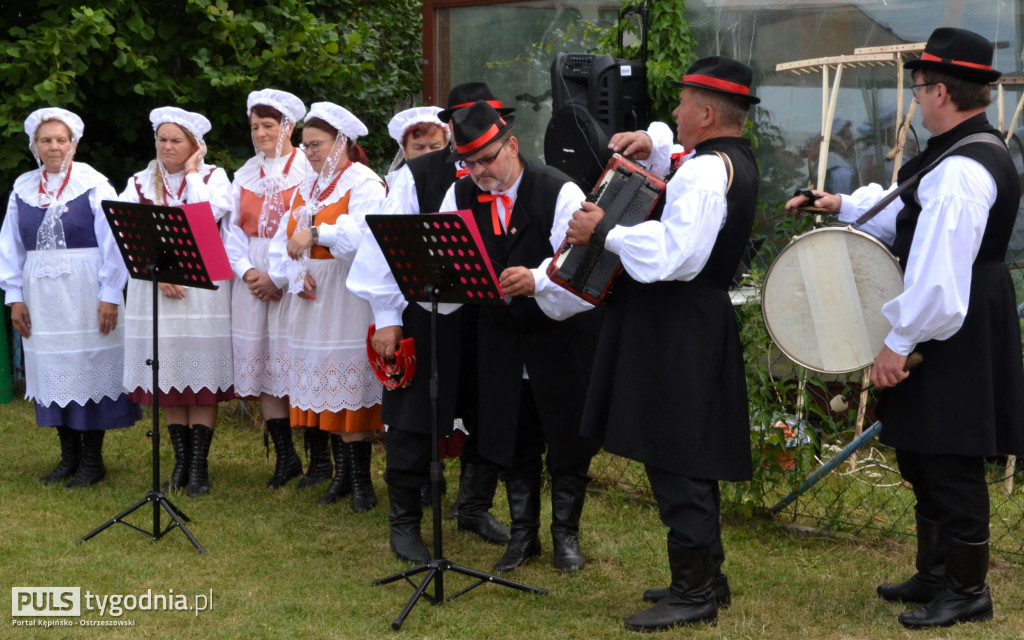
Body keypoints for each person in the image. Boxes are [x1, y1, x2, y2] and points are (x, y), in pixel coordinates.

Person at [785, 28, 1024, 629]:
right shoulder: (954, 148)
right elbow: (904, 205)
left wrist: (898, 343)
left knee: (951, 457)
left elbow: (940, 277)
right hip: (949, 320)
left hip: (952, 326)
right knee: (921, 452)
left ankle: (968, 591)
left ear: (941, 89)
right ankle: (936, 571)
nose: (915, 99)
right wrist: (839, 206)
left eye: (919, 88)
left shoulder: (965, 171)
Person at [568, 57, 760, 631]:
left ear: (705, 112)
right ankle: (707, 576)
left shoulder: (705, 173)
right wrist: (652, 144)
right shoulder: (723, 160)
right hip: (688, 321)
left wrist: (603, 229)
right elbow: (670, 155)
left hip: (679, 323)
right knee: (682, 452)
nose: (673, 115)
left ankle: (694, 590)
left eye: (680, 105)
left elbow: (678, 255)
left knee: (677, 454)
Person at [348, 84, 515, 563]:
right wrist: (385, 317)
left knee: (487, 409)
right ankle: (405, 522)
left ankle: (474, 507)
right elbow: (384, 244)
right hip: (426, 311)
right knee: (413, 418)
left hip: (491, 317)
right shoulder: (418, 175)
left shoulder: (515, 175)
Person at [439, 100, 601, 574]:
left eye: (488, 158)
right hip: (501, 336)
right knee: (512, 432)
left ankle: (566, 537)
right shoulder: (460, 195)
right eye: (469, 163)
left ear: (511, 145)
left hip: (560, 333)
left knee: (568, 435)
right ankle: (524, 535)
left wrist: (536, 280)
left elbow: (577, 265)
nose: (480, 171)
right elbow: (450, 257)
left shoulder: (559, 189)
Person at [1, 107, 141, 489]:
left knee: (89, 365)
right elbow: (10, 248)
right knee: (52, 370)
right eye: (46, 140)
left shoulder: (94, 184)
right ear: (34, 145)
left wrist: (110, 294)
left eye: (61, 139)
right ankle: (69, 457)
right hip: (42, 296)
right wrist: (15, 297)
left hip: (86, 292)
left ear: (74, 143)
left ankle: (93, 460)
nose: (54, 146)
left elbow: (116, 244)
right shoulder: (23, 188)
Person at [271, 102, 384, 512]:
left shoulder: (364, 182)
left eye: (316, 144)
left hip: (346, 295)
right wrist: (291, 274)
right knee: (323, 386)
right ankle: (341, 475)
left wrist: (319, 231)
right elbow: (282, 240)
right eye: (305, 145)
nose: (310, 153)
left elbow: (365, 236)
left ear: (342, 144)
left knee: (348, 388)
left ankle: (362, 484)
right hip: (312, 297)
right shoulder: (309, 186)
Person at [119, 107, 235, 497]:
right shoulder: (138, 181)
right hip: (155, 286)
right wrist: (162, 271)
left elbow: (205, 215)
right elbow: (125, 227)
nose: (167, 147)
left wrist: (191, 173)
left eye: (176, 140)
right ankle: (180, 461)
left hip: (201, 291)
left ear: (194, 146)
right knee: (167, 370)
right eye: (162, 139)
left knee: (198, 373)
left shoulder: (214, 177)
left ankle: (199, 464)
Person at [223, 88, 312, 490]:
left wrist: (277, 276)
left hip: (294, 275)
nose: (260, 133)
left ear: (288, 127)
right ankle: (285, 456)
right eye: (255, 126)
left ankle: (320, 458)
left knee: (296, 362)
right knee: (262, 365)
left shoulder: (308, 172)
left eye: (268, 125)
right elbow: (233, 231)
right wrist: (246, 273)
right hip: (251, 281)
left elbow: (304, 228)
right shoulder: (244, 174)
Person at [384, 106, 449, 187]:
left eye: (435, 146)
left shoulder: (459, 183)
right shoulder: (396, 186)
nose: (427, 153)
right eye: (419, 147)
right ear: (405, 152)